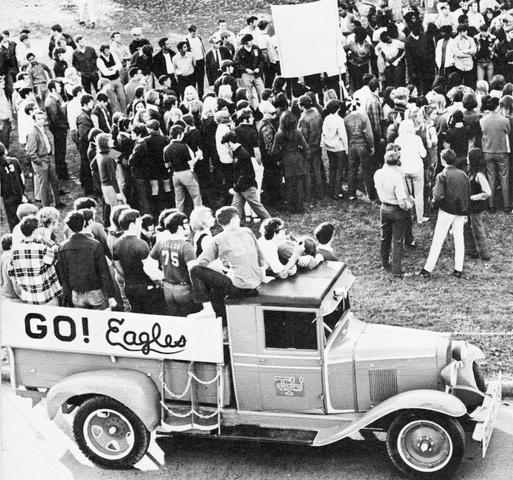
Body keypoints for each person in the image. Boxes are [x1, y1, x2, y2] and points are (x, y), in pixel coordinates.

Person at [189, 206, 266, 321]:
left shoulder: (218, 239)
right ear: (234, 220)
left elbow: (201, 263)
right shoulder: (248, 231)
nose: (240, 220)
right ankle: (223, 321)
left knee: (194, 270)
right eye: (238, 218)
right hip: (256, 282)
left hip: (239, 287)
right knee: (216, 291)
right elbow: (261, 258)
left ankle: (209, 310)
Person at [419, 149, 470, 279]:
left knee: (438, 240)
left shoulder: (442, 175)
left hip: (446, 211)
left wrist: (434, 206)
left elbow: (437, 196)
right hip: (460, 211)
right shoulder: (463, 174)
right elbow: (467, 193)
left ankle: (427, 269)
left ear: (443, 160)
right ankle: (458, 268)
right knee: (459, 239)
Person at [58, 210, 117, 309]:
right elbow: (104, 272)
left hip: (76, 293)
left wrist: (68, 295)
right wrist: (111, 295)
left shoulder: (62, 247)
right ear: (84, 223)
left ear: (68, 226)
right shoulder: (95, 244)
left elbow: (63, 274)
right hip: (96, 292)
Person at [150, 211, 202, 316]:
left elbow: (148, 265)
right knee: (189, 323)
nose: (188, 225)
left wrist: (160, 278)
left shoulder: (161, 243)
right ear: (179, 228)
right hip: (184, 289)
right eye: (185, 223)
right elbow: (194, 271)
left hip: (167, 288)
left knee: (175, 322)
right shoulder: (186, 246)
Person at [112, 208, 164, 314]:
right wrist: (161, 281)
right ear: (132, 225)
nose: (140, 226)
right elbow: (150, 270)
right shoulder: (141, 244)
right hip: (145, 288)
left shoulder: (116, 243)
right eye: (139, 223)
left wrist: (128, 277)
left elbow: (117, 265)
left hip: (129, 287)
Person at [374, 149, 413, 277]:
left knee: (384, 237)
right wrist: (409, 205)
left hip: (384, 208)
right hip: (397, 210)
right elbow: (402, 201)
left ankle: (385, 263)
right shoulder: (397, 177)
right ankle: (396, 270)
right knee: (397, 240)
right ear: (397, 162)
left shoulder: (378, 173)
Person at [8, 215, 62, 305]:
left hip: (28, 298)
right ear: (35, 231)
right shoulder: (41, 248)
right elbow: (57, 257)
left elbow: (11, 273)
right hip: (47, 297)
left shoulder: (14, 250)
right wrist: (48, 240)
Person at [222, 130, 270, 221]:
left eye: (225, 144)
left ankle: (274, 224)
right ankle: (233, 227)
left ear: (229, 143)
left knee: (258, 209)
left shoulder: (242, 154)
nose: (225, 147)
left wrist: (235, 189)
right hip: (240, 187)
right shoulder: (237, 151)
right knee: (234, 210)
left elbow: (245, 175)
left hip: (247, 187)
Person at [271, 111, 309, 213]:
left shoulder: (279, 134)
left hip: (286, 160)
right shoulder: (297, 132)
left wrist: (281, 155)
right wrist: (300, 150)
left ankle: (290, 207)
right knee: (299, 184)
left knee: (289, 185)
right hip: (297, 158)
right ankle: (300, 207)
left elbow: (273, 151)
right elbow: (306, 146)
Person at [25, 109, 62, 208]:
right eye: (38, 119)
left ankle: (57, 202)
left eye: (42, 118)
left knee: (54, 181)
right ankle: (46, 207)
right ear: (34, 120)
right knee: (44, 186)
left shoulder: (45, 129)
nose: (41, 121)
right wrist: (40, 162)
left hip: (49, 158)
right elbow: (31, 153)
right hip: (41, 162)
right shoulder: (33, 133)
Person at [479, 95, 511, 211]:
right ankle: (507, 204)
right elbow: (508, 131)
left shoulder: (483, 120)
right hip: (502, 151)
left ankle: (491, 205)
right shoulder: (505, 120)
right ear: (498, 107)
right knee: (504, 177)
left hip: (487, 151)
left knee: (491, 178)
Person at [395, 119, 429, 223]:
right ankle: (420, 217)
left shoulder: (398, 140)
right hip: (417, 168)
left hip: (404, 170)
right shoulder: (417, 138)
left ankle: (409, 215)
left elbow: (396, 156)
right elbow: (423, 154)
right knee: (419, 194)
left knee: (408, 194)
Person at [164, 124, 203, 212]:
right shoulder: (183, 147)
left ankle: (178, 217)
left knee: (179, 200)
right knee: (196, 196)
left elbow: (166, 165)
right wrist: (198, 156)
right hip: (186, 173)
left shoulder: (166, 148)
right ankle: (199, 216)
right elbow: (190, 163)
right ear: (179, 135)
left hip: (175, 175)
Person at [344, 97, 375, 202]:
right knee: (366, 170)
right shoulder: (364, 117)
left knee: (352, 169)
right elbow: (369, 134)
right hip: (362, 145)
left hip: (352, 145)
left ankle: (351, 194)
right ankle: (370, 194)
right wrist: (371, 146)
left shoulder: (346, 118)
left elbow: (345, 134)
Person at [464, 148, 491, 260]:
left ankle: (485, 254)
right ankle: (472, 251)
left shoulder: (479, 175)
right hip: (471, 206)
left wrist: (474, 197)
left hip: (476, 206)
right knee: (467, 227)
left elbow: (488, 192)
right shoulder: (472, 172)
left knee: (478, 229)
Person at [298, 94, 324, 201]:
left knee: (307, 172)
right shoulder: (317, 113)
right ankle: (320, 193)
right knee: (317, 170)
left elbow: (302, 136)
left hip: (308, 147)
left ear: (301, 105)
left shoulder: (303, 119)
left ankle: (308, 196)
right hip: (317, 145)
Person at [322, 99, 348, 199]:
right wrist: (346, 149)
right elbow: (343, 136)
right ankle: (338, 192)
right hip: (339, 148)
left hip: (329, 148)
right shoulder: (339, 120)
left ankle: (331, 189)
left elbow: (324, 133)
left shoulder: (326, 119)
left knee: (332, 168)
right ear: (338, 109)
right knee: (339, 170)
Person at [44, 80, 69, 180]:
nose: (60, 88)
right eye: (58, 86)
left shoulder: (54, 98)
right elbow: (55, 118)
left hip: (59, 128)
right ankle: (62, 173)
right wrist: (65, 126)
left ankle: (62, 171)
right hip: (58, 129)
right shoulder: (51, 101)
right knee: (60, 151)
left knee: (61, 150)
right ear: (53, 88)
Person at [233, 34, 265, 109]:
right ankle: (251, 108)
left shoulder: (256, 48)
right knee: (249, 94)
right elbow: (237, 63)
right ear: (245, 42)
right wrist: (245, 69)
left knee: (261, 90)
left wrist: (259, 68)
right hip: (246, 75)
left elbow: (262, 59)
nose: (251, 42)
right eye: (250, 41)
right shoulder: (240, 51)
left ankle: (263, 107)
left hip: (256, 74)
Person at [0, 143, 24, 231]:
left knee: (13, 221)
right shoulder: (14, 161)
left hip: (8, 197)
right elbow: (22, 178)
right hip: (19, 193)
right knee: (22, 217)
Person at [97, 44, 126, 113]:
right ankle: (118, 116)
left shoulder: (113, 55)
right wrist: (115, 69)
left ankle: (125, 114)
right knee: (114, 101)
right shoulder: (99, 59)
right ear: (102, 52)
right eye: (106, 50)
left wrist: (112, 68)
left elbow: (120, 65)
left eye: (108, 50)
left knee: (123, 99)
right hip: (108, 82)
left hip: (117, 79)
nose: (108, 52)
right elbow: (105, 72)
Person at [76, 93, 95, 195]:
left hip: (85, 145)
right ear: (86, 103)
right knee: (87, 166)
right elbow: (84, 134)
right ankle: (88, 189)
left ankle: (84, 183)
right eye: (91, 102)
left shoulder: (86, 114)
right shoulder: (83, 117)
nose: (93, 104)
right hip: (85, 146)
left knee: (85, 166)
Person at [185, 25, 206, 98]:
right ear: (189, 32)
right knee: (192, 82)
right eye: (192, 32)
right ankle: (193, 97)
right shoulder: (186, 39)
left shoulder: (199, 38)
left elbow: (202, 49)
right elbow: (187, 53)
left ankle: (201, 96)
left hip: (200, 61)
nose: (194, 34)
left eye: (195, 32)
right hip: (193, 63)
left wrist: (204, 59)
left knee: (201, 81)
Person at [0, 234, 21, 303]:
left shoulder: (2, 257)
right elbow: (14, 281)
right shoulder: (10, 259)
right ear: (11, 246)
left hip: (3, 295)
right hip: (13, 297)